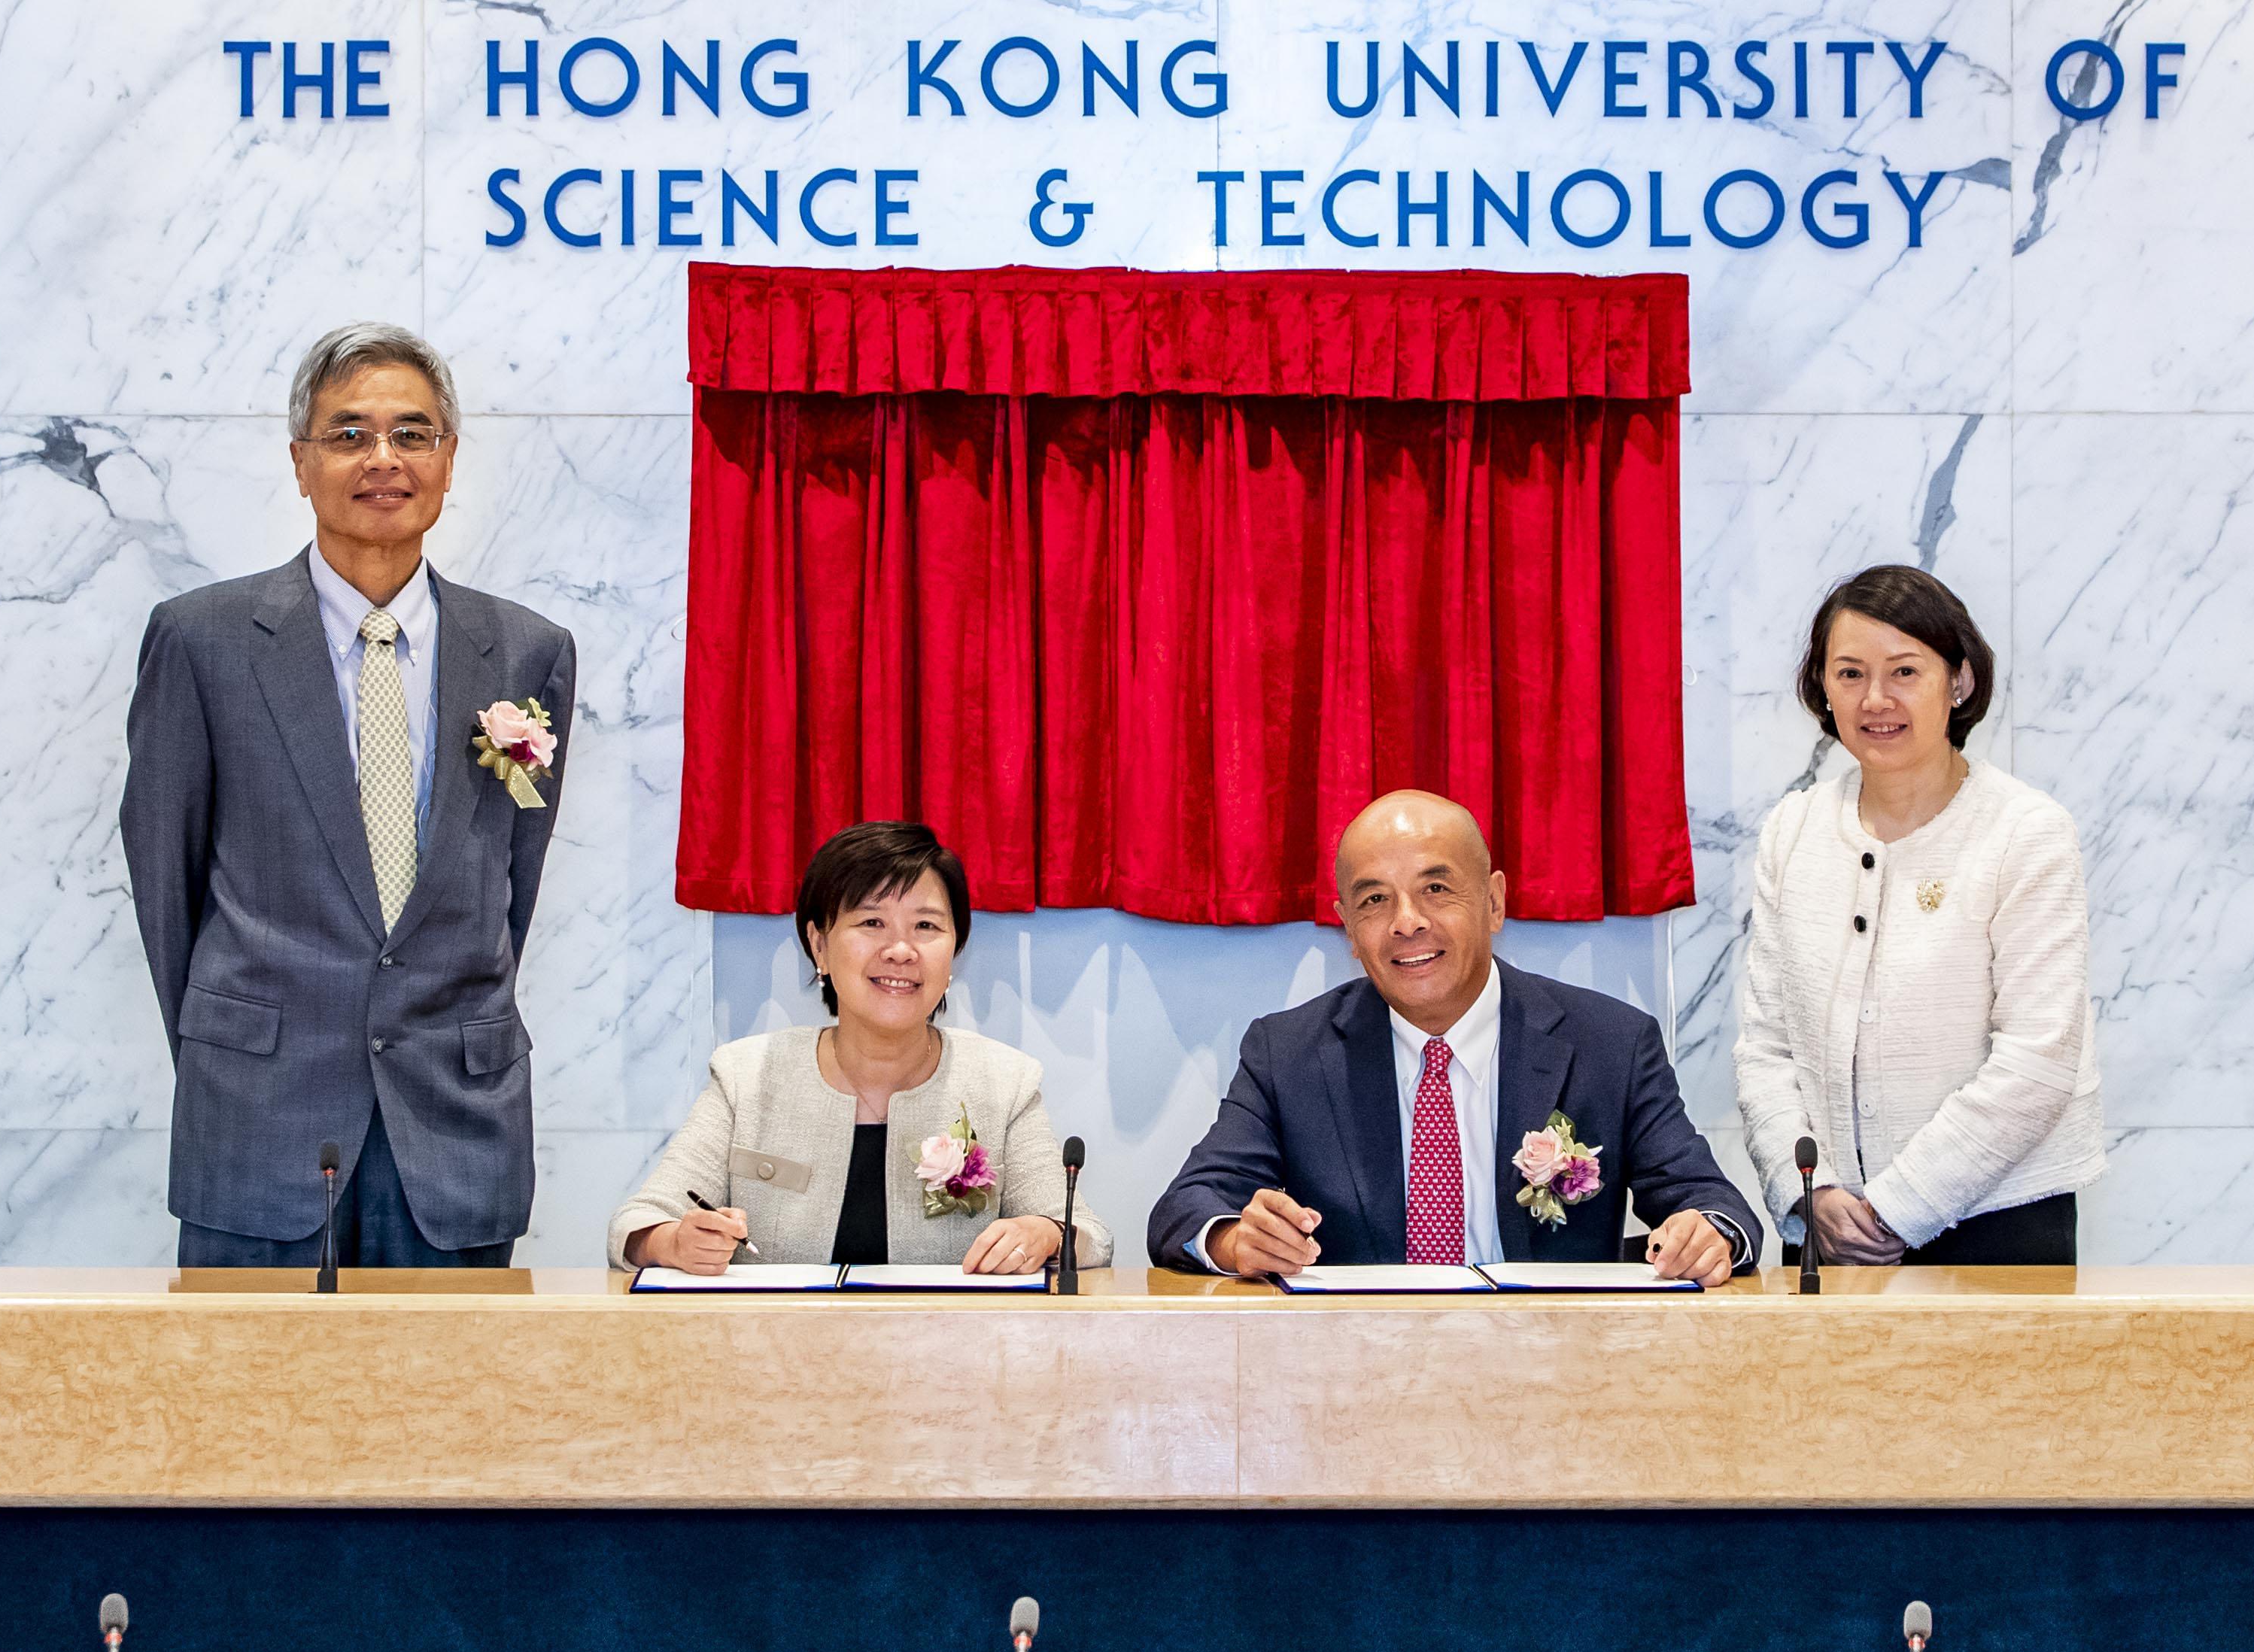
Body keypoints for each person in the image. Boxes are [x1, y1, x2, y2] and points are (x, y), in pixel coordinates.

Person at [120, 322, 578, 1268]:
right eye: (349, 434)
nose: (384, 459)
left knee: (448, 1414)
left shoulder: (527, 651)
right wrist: (232, 1043)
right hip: (256, 1120)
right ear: (300, 461)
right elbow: (165, 883)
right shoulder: (203, 642)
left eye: (412, 434)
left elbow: (510, 886)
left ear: (448, 460)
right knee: (248, 1412)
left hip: (456, 1128)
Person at [1147, 791, 1759, 1285]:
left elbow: (1714, 1204)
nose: (1407, 921)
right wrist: (1235, 1239)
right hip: (1357, 1372)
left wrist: (1707, 1235)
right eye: (1374, 900)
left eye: (1436, 889)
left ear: (1493, 902)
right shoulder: (1289, 1054)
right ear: (1350, 933)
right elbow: (1186, 1208)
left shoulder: (1610, 1043)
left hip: (1557, 1369)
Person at [1734, 564, 2104, 1267]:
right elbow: (1767, 1047)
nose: (1876, 699)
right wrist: (1808, 1191)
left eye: (1905, 671)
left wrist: (1897, 1209)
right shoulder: (1794, 829)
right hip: (1830, 1230)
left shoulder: (2025, 830)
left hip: (1999, 1225)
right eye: (1849, 674)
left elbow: (2038, 1057)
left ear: (1958, 682)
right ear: (1823, 687)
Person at [611, 820, 1107, 1276]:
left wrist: (1046, 1233)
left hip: (951, 1359)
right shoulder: (746, 1075)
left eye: (927, 926)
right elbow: (636, 1226)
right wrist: (671, 1242)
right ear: (820, 945)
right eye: (872, 923)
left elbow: (1090, 1239)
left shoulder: (1003, 1082)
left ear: (954, 952)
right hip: (772, 1355)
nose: (900, 949)